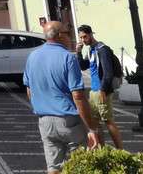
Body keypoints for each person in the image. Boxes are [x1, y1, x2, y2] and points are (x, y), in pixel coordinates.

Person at [24, 20, 100, 174]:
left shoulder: (32, 57)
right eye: (67, 33)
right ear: (60, 36)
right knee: (79, 164)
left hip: (45, 119)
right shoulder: (68, 58)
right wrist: (91, 127)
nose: (69, 37)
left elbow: (29, 90)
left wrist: (41, 107)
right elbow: (78, 96)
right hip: (68, 119)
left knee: (53, 167)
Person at [75, 24, 123, 149]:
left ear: (91, 34)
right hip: (94, 91)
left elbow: (108, 73)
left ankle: (120, 150)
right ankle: (101, 150)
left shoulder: (102, 50)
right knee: (95, 122)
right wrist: (79, 53)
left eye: (85, 37)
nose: (83, 40)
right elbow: (83, 66)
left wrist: (102, 89)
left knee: (108, 121)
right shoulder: (91, 50)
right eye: (81, 38)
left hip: (103, 91)